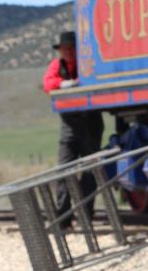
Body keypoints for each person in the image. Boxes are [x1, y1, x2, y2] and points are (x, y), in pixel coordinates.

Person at [40, 30, 104, 228]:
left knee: (90, 173)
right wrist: (65, 84)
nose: (67, 52)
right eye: (64, 49)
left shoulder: (86, 64)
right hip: (69, 125)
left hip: (90, 124)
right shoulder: (57, 65)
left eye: (70, 48)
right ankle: (63, 218)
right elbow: (47, 84)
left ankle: (85, 215)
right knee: (64, 170)